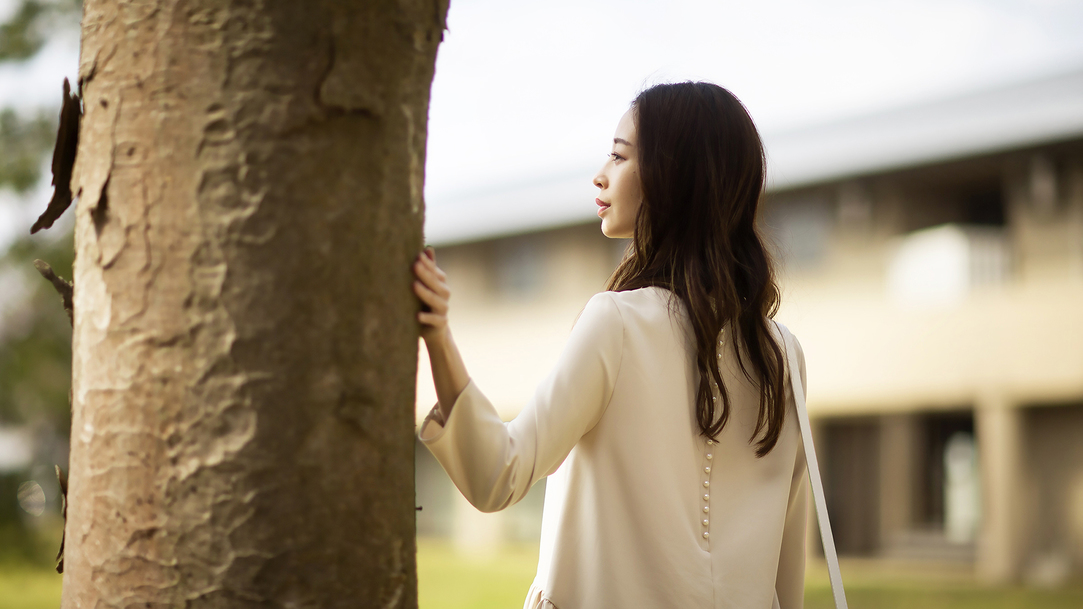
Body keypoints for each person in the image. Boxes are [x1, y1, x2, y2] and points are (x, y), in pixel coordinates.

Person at [411, 82, 809, 609]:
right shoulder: (784, 354)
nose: (600, 175)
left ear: (672, 177)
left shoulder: (616, 322)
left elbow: (498, 474)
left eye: (619, 157)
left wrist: (436, 333)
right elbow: (789, 566)